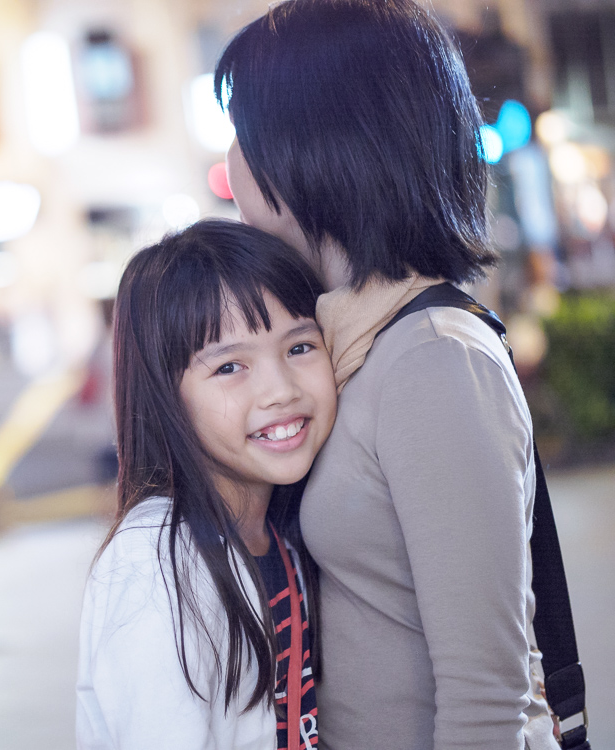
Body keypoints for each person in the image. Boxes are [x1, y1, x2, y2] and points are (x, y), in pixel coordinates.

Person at [215, 2, 560, 749]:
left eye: (242, 130)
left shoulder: (431, 358)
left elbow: (485, 698)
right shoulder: (348, 345)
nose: (230, 162)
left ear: (308, 147)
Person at [76, 219, 337, 749]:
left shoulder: (279, 534)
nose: (279, 390)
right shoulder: (154, 564)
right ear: (166, 398)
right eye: (230, 367)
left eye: (300, 348)